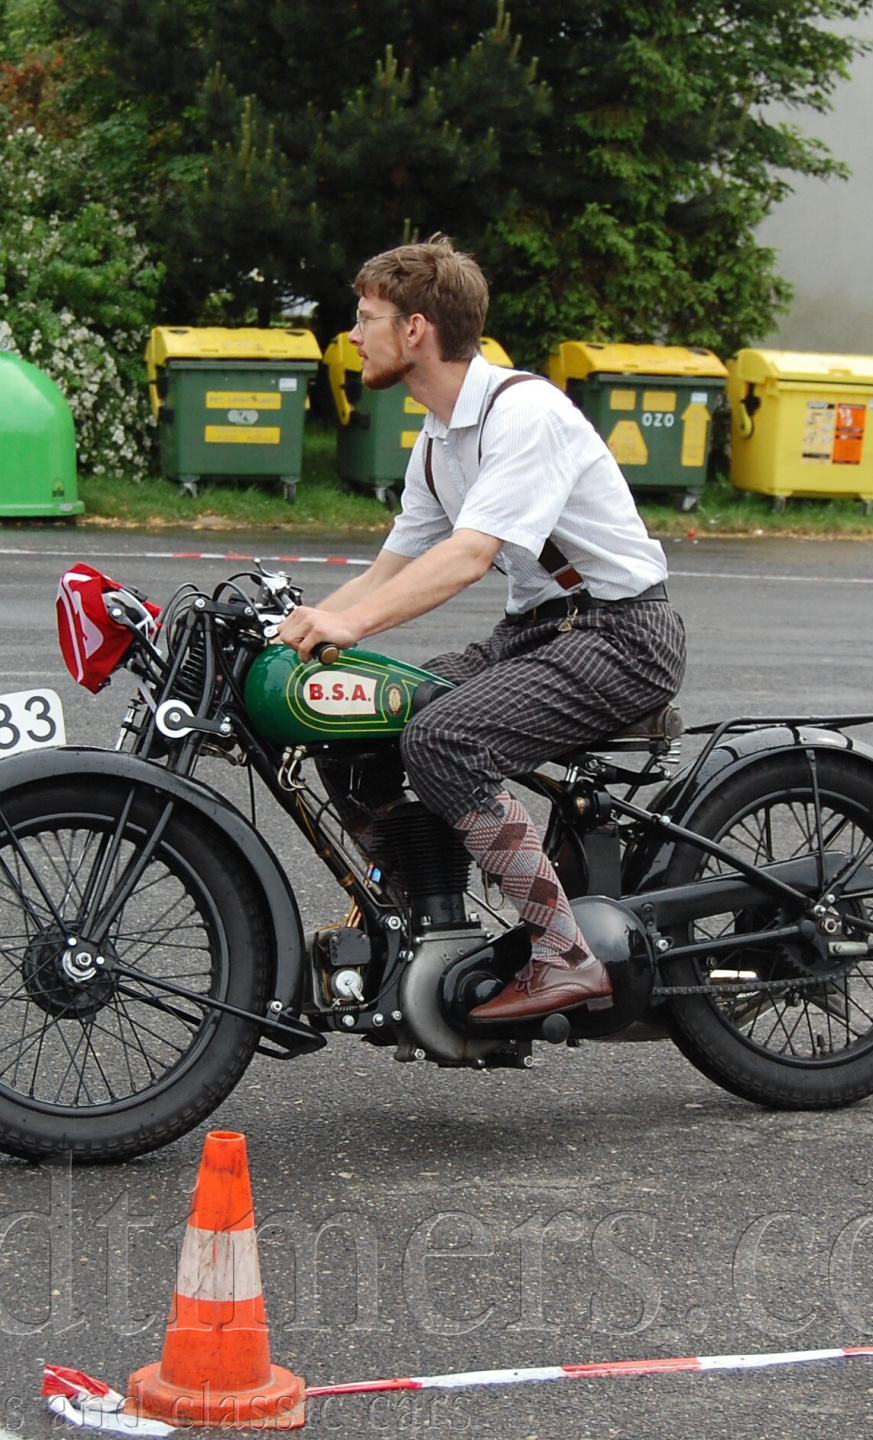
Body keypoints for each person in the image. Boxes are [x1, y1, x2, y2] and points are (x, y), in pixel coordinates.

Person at [275, 235, 686, 1022]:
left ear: (415, 329)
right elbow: (389, 570)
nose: (352, 337)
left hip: (622, 635)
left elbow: (468, 556)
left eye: (366, 319)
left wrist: (348, 623)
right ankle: (420, 913)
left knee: (443, 740)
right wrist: (298, 636)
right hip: (538, 633)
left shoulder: (524, 414)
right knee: (353, 712)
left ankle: (564, 954)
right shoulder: (438, 440)